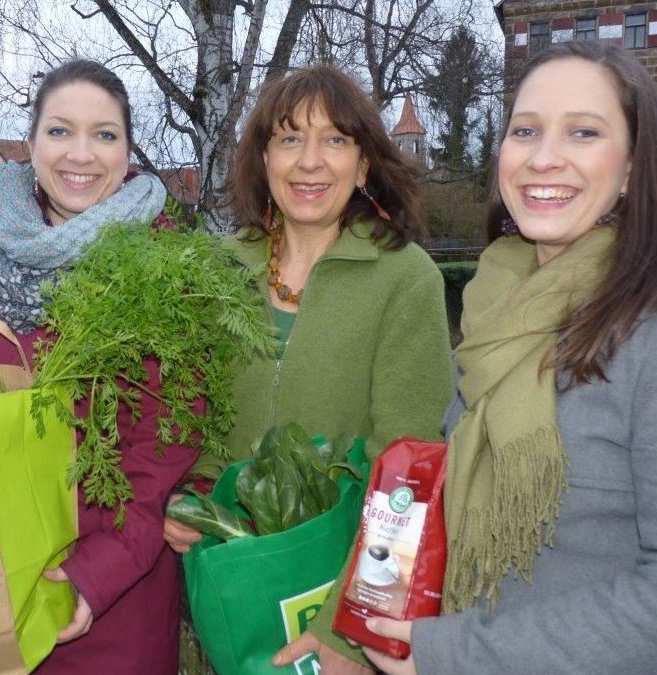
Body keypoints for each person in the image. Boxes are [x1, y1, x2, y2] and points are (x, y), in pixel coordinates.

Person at [361, 41, 657, 675]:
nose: (544, 158)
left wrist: (457, 655)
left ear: (632, 167)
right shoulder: (498, 310)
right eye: (525, 130)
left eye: (583, 131)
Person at [0, 59, 196, 674]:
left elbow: (165, 454)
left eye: (105, 134)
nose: (81, 155)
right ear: (32, 141)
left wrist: (93, 576)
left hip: (106, 603)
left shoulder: (167, 271)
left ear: (128, 150)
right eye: (60, 131)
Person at [164, 65, 454, 673]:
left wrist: (351, 634)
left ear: (365, 164)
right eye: (290, 138)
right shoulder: (215, 268)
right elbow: (192, 418)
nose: (311, 161)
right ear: (264, 159)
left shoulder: (405, 278)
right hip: (227, 580)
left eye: (336, 140)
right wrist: (189, 497)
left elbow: (409, 477)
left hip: (335, 595)